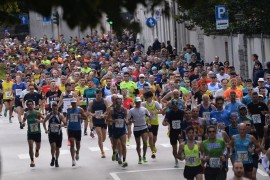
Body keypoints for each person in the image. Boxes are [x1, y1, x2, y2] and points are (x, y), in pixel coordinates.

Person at [128, 97, 151, 164]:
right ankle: (139, 157)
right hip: (136, 128)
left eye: (139, 102)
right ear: (135, 102)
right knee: (138, 144)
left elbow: (149, 116)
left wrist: (149, 123)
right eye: (137, 102)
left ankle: (144, 156)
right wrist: (132, 121)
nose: (138, 103)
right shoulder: (131, 110)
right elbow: (128, 120)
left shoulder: (144, 109)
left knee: (145, 142)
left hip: (144, 127)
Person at [43, 102, 66, 167]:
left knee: (57, 148)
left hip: (58, 134)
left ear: (57, 108)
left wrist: (59, 125)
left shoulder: (60, 115)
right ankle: (53, 157)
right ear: (52, 108)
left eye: (56, 109)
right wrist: (45, 130)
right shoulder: (49, 115)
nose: (55, 110)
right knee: (53, 146)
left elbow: (65, 123)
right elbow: (44, 122)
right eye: (53, 109)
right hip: (51, 133)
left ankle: (56, 160)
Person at [22, 99, 44, 167]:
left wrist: (39, 121)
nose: (30, 106)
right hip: (30, 133)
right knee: (30, 147)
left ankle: (37, 150)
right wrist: (23, 123)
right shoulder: (26, 113)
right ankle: (32, 161)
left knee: (38, 146)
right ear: (27, 106)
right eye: (28, 105)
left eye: (31, 104)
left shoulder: (37, 112)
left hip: (37, 132)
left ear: (33, 105)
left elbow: (44, 119)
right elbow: (24, 120)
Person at [162, 99, 185, 167]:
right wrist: (165, 123)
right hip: (172, 132)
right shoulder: (169, 113)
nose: (175, 106)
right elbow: (164, 122)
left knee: (182, 144)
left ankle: (181, 153)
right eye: (174, 104)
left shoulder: (181, 112)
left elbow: (185, 119)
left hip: (180, 131)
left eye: (176, 104)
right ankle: (176, 159)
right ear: (171, 105)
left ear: (178, 104)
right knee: (174, 148)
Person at [107, 97, 128, 168]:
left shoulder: (124, 110)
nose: (119, 104)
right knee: (115, 145)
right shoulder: (112, 111)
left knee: (123, 144)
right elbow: (107, 119)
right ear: (115, 103)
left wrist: (126, 121)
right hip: (115, 130)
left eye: (120, 102)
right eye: (117, 103)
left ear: (122, 102)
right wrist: (113, 121)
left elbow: (126, 118)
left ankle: (124, 160)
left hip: (122, 129)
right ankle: (114, 152)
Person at [88, 89, 108, 158]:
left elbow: (108, 109)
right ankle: (102, 151)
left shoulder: (104, 101)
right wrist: (92, 114)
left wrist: (104, 114)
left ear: (102, 95)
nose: (99, 96)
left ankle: (100, 144)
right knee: (100, 136)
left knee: (104, 138)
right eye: (98, 94)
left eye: (100, 94)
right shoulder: (92, 102)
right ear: (95, 94)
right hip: (96, 120)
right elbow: (88, 111)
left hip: (103, 120)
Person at [142, 91, 162, 158]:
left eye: (147, 97)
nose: (146, 99)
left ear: (151, 97)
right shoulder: (144, 104)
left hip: (155, 122)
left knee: (154, 137)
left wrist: (155, 112)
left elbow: (161, 111)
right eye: (145, 98)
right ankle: (152, 150)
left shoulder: (155, 103)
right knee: (150, 136)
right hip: (148, 123)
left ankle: (153, 145)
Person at [67, 98, 87, 166]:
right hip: (70, 128)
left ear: (76, 103)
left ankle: (77, 152)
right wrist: (65, 123)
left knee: (78, 143)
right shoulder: (68, 110)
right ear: (71, 103)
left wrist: (80, 116)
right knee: (72, 143)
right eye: (72, 103)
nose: (73, 104)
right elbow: (67, 118)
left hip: (78, 129)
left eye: (74, 103)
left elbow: (86, 117)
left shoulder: (80, 109)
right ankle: (73, 160)